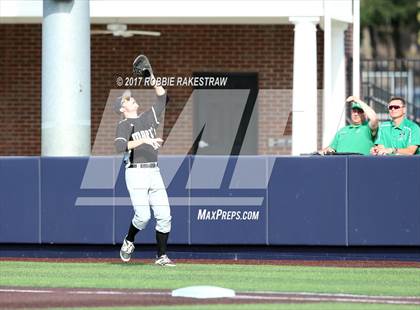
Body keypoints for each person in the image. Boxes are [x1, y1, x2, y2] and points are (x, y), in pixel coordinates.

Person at [114, 73, 175, 266]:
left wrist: (151, 77)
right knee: (143, 217)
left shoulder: (148, 118)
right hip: (135, 172)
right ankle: (129, 240)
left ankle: (161, 256)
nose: (132, 99)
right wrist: (144, 140)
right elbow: (120, 146)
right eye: (128, 99)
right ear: (122, 108)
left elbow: (164, 98)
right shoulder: (123, 125)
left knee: (165, 215)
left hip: (154, 172)